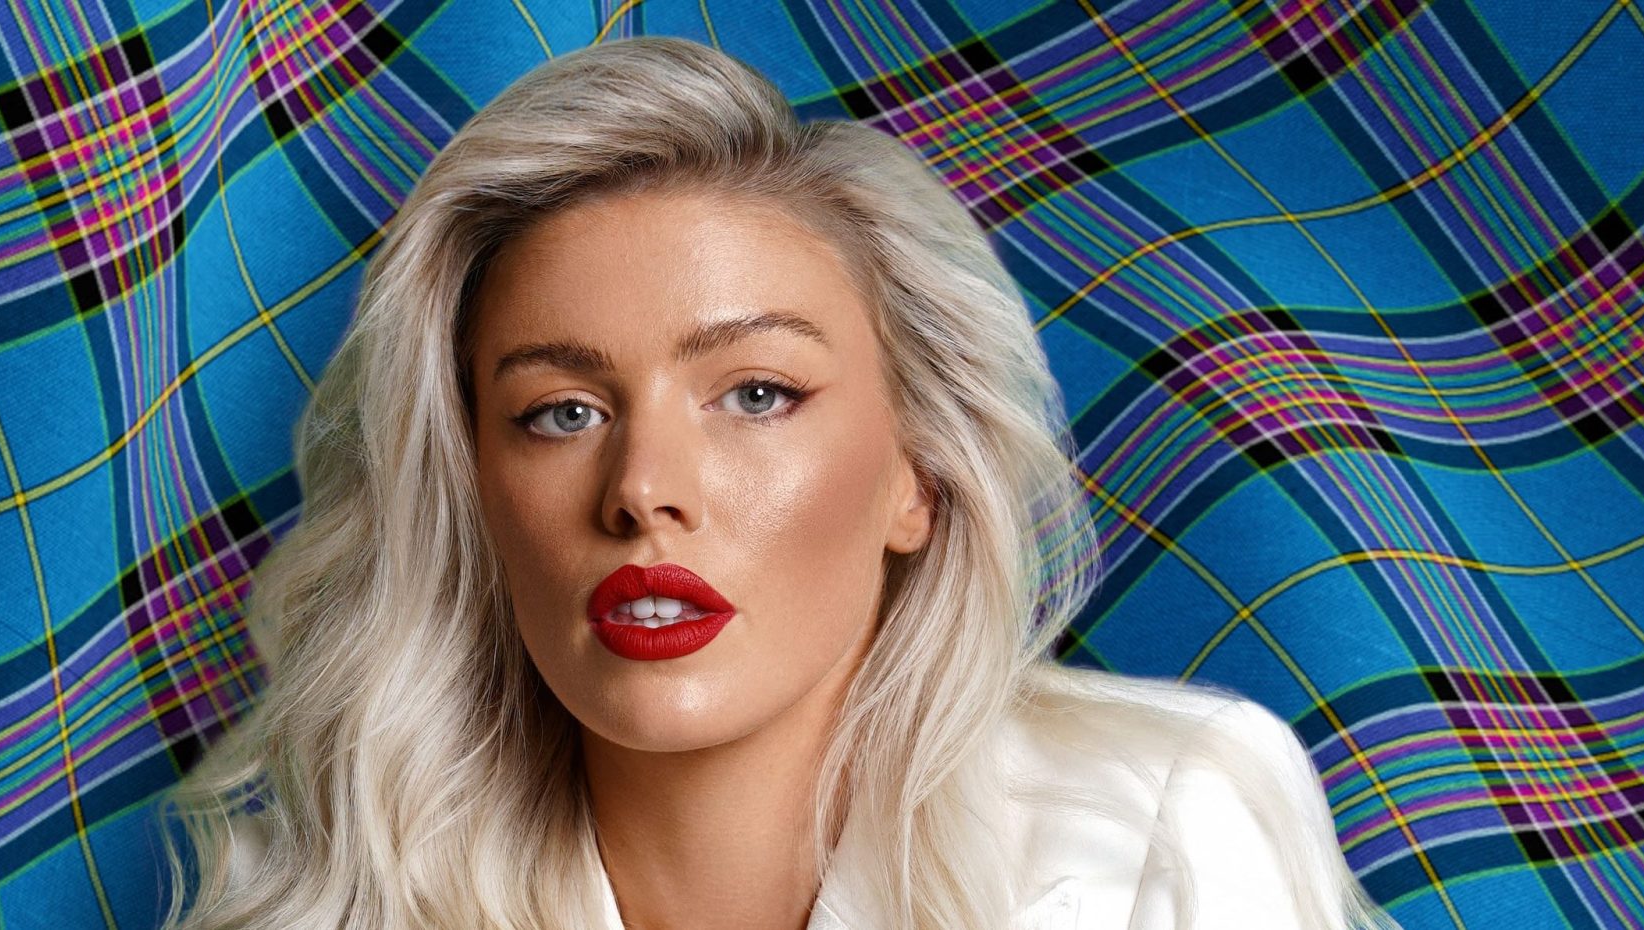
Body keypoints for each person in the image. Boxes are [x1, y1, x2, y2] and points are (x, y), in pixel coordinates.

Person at [159, 35, 1399, 930]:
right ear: (470, 496)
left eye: (754, 395)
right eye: (560, 413)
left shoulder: (1161, 827)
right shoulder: (336, 895)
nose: (643, 489)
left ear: (917, 475)